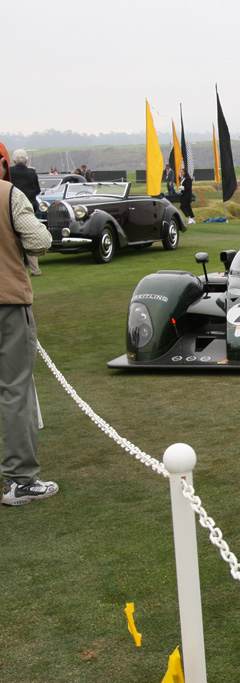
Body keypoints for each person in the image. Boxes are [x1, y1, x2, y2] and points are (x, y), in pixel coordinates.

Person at [0, 142, 58, 506]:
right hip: (7, 301)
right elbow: (41, 239)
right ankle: (20, 479)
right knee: (15, 389)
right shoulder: (8, 194)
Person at [9, 149, 42, 276]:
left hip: (13, 207)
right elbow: (37, 190)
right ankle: (35, 269)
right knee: (29, 237)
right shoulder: (32, 173)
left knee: (13, 238)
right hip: (29, 207)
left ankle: (17, 268)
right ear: (26, 161)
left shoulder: (10, 173)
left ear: (14, 161)